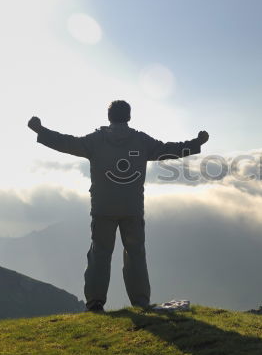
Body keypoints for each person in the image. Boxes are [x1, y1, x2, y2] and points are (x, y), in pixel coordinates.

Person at [28, 100, 208, 312]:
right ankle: (140, 301)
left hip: (103, 208)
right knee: (135, 254)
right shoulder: (141, 141)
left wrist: (41, 131)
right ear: (129, 117)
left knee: (100, 254)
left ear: (109, 117)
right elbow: (169, 150)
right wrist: (197, 143)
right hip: (132, 209)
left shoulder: (96, 141)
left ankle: (95, 303)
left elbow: (67, 143)